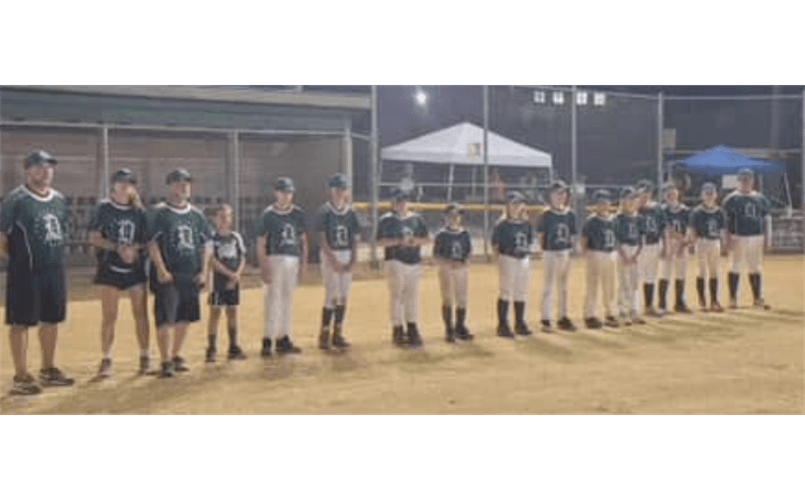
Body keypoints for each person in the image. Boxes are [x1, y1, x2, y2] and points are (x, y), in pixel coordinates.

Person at [0, 150, 75, 395]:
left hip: (54, 269)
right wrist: (17, 260)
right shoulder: (16, 199)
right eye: (39, 166)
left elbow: (62, 231)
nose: (45, 171)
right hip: (26, 272)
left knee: (51, 319)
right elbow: (2, 236)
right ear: (28, 170)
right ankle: (21, 376)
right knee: (21, 322)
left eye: (49, 167)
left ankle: (48, 369)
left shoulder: (59, 199)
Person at [148, 168, 212, 378]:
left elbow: (206, 244)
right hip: (169, 273)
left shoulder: (196, 215)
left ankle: (176, 354)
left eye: (186, 183)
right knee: (165, 318)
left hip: (190, 272)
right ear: (169, 186)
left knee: (185, 316)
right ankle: (165, 360)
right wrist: (161, 269)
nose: (183, 187)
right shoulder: (160, 213)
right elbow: (153, 243)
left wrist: (204, 271)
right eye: (178, 183)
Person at [88, 168, 151, 378]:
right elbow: (94, 237)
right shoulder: (104, 208)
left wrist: (134, 250)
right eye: (121, 181)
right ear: (113, 185)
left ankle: (145, 356)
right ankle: (106, 358)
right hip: (109, 268)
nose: (125, 185)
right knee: (109, 316)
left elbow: (146, 240)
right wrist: (118, 248)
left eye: (129, 182)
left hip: (134, 269)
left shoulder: (139, 211)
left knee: (140, 314)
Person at [257, 177, 308, 356]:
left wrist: (303, 264)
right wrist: (264, 266)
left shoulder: (298, 213)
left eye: (289, 192)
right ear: (276, 193)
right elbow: (261, 242)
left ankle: (283, 338)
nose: (286, 195)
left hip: (292, 259)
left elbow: (303, 240)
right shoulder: (268, 214)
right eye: (283, 192)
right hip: (274, 258)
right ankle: (267, 340)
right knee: (272, 300)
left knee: (287, 300)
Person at [376, 188, 429, 347]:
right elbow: (382, 242)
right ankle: (397, 329)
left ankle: (412, 328)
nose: (402, 204)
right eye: (399, 201)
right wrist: (400, 241)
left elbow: (426, 239)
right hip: (395, 260)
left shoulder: (416, 218)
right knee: (397, 296)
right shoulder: (387, 219)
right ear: (393, 203)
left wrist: (414, 242)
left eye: (404, 201)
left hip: (414, 261)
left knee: (412, 297)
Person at [317, 173, 360, 350]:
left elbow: (355, 238)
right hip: (331, 253)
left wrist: (354, 259)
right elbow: (322, 238)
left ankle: (338, 332)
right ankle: (324, 333)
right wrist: (332, 259)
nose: (340, 192)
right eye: (337, 189)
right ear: (331, 190)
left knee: (343, 295)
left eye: (343, 189)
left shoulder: (351, 212)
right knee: (331, 295)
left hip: (346, 252)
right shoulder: (325, 211)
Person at [722, 168, 772, 309]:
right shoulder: (731, 199)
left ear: (752, 181)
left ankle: (757, 298)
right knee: (735, 266)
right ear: (738, 181)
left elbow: (766, 219)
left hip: (756, 236)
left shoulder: (760, 198)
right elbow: (726, 222)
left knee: (755, 267)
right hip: (738, 236)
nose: (745, 182)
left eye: (748, 180)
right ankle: (733, 298)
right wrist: (726, 239)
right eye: (743, 180)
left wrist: (768, 238)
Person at [205, 204, 247, 362]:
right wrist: (229, 274)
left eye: (228, 216)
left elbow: (242, 257)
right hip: (218, 281)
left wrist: (237, 275)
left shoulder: (236, 237)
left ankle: (233, 346)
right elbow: (212, 260)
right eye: (221, 216)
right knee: (215, 313)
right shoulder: (212, 238)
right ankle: (211, 348)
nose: (225, 219)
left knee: (232, 312)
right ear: (215, 219)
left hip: (233, 281)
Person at [492, 191, 534, 338]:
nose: (516, 207)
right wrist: (498, 261)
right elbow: (495, 245)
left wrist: (527, 257)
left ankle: (520, 323)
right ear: (507, 206)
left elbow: (529, 242)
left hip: (523, 258)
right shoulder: (502, 224)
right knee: (506, 291)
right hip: (507, 258)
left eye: (518, 203)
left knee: (521, 291)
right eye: (513, 204)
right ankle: (502, 325)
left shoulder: (526, 224)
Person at [537, 180, 577, 333]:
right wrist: (543, 251)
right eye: (557, 193)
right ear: (551, 196)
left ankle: (562, 317)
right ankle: (546, 318)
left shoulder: (570, 214)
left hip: (565, 251)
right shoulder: (546, 214)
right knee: (548, 285)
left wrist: (571, 252)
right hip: (550, 251)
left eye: (563, 193)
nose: (561, 196)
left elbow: (572, 235)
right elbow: (541, 235)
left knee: (563, 286)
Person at [433, 203, 473, 343]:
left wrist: (464, 262)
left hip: (461, 268)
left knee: (462, 298)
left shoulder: (464, 233)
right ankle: (449, 329)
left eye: (457, 215)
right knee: (448, 298)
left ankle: (460, 326)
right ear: (446, 217)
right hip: (447, 269)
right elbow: (436, 256)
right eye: (451, 216)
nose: (454, 218)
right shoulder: (441, 235)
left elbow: (469, 253)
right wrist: (448, 263)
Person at [582, 189, 620, 329]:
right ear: (596, 204)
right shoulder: (591, 221)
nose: (603, 205)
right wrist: (586, 254)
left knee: (610, 286)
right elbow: (584, 239)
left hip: (611, 253)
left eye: (606, 202)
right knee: (593, 286)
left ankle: (610, 313)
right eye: (600, 202)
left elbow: (617, 238)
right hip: (595, 253)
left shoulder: (614, 219)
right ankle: (590, 315)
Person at [688, 183, 726, 312]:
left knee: (714, 271)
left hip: (715, 241)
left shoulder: (719, 211)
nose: (709, 196)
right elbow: (693, 229)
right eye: (707, 193)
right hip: (702, 241)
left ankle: (714, 300)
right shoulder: (697, 211)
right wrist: (692, 243)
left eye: (711, 193)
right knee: (702, 271)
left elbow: (722, 230)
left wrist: (723, 244)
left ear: (715, 195)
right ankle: (702, 300)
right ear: (702, 195)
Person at [658, 183, 692, 314]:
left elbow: (689, 228)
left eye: (673, 193)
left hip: (681, 244)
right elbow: (664, 230)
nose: (671, 196)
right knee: (665, 273)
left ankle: (679, 302)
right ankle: (662, 304)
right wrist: (665, 246)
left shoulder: (685, 210)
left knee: (681, 273)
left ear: (677, 194)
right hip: (667, 243)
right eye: (668, 194)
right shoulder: (662, 210)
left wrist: (684, 244)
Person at [615, 187, 645, 326]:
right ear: (622, 201)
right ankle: (622, 311)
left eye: (634, 198)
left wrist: (636, 255)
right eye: (629, 199)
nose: (632, 201)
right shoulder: (618, 218)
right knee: (624, 282)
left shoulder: (639, 218)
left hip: (636, 250)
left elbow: (642, 238)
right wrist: (624, 256)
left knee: (635, 283)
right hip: (623, 250)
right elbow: (616, 239)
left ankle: (634, 310)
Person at [635, 180, 665, 317]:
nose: (645, 195)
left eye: (648, 192)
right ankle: (633, 308)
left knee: (651, 276)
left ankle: (648, 306)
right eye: (642, 192)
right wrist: (638, 204)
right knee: (636, 276)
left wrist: (665, 245)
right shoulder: (633, 207)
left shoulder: (657, 207)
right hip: (640, 246)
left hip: (654, 244)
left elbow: (663, 227)